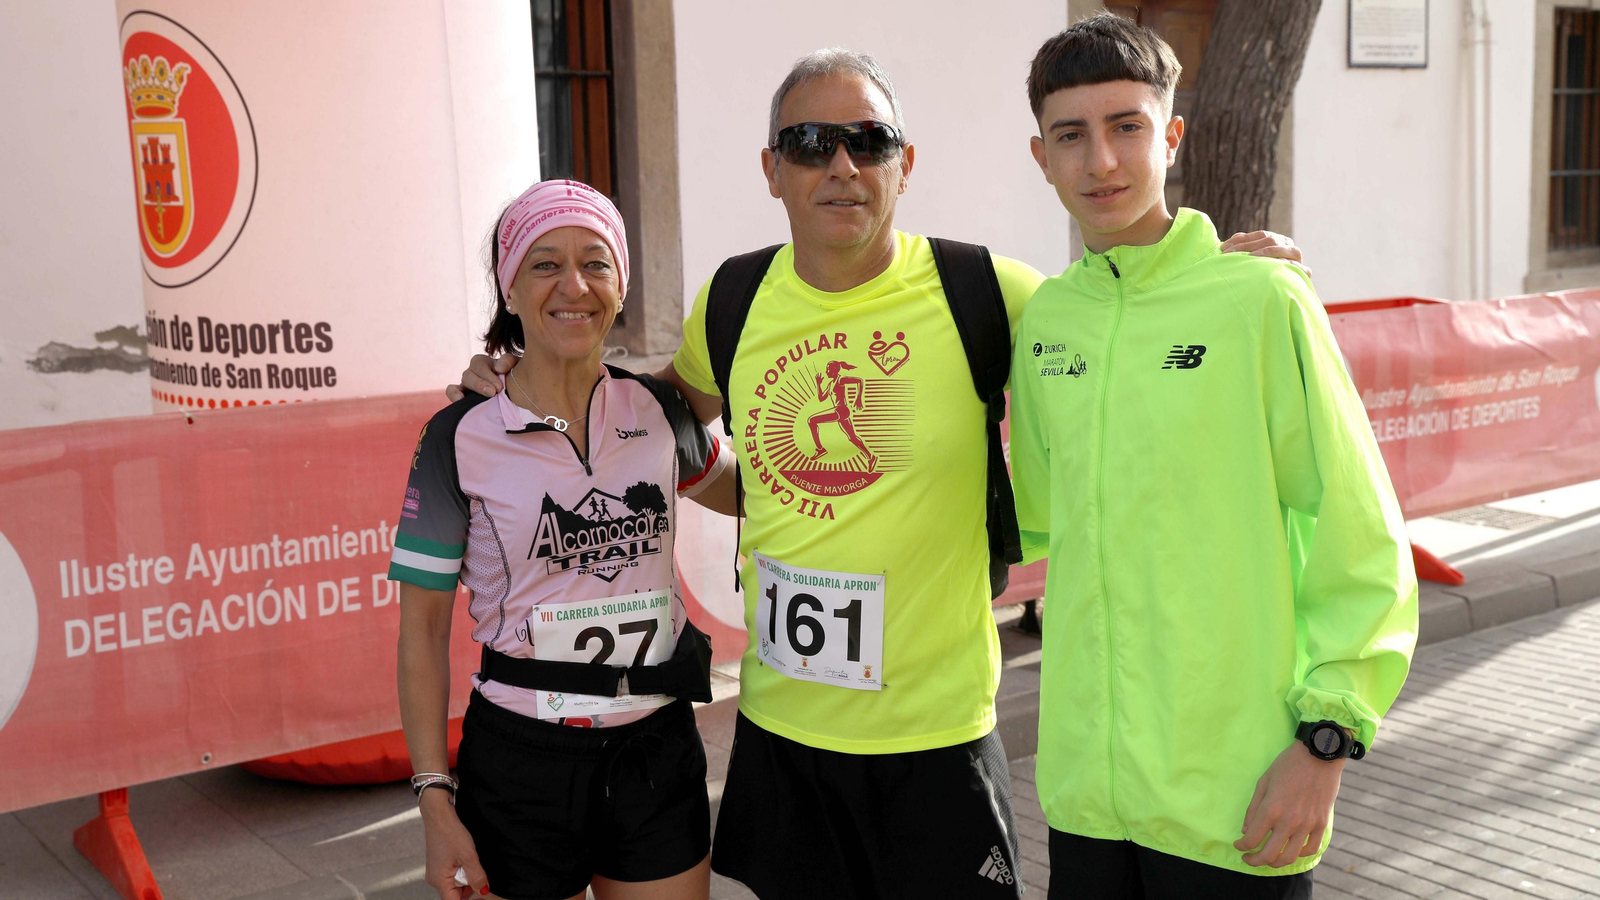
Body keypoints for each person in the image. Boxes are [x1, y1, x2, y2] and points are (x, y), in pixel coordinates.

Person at [453, 50, 1307, 900]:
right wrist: (518, 381)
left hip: (937, 742)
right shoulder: (733, 300)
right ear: (771, 171)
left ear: (906, 163)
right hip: (785, 737)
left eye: (869, 139)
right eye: (810, 142)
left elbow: (1119, 318)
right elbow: (647, 422)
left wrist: (1213, 278)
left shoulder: (990, 292)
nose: (841, 165)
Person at [1007, 15, 1418, 899]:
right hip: (1088, 798)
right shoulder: (1048, 323)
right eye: (1071, 136)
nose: (1102, 162)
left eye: (1128, 127)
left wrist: (1327, 742)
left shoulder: (1262, 300)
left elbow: (1362, 539)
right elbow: (1043, 524)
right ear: (1041, 157)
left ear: (1172, 136)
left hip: (1240, 799)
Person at [393, 179, 738, 900]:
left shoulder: (658, 408)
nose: (572, 285)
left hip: (655, 745)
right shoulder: (458, 435)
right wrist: (433, 796)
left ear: (621, 285)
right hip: (522, 760)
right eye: (544, 263)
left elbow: (758, 493)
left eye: (595, 262)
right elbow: (421, 632)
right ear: (508, 289)